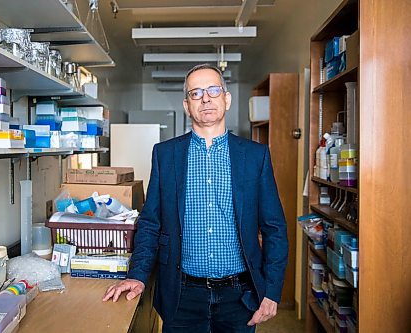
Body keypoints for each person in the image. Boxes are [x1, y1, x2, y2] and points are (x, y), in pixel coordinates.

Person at [102, 63, 288, 332]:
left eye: (213, 90)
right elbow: (151, 222)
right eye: (196, 93)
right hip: (182, 295)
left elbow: (275, 229)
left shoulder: (255, 156)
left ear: (226, 98)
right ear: (187, 105)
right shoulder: (166, 155)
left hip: (240, 296)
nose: (206, 98)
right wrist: (138, 275)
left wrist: (271, 291)